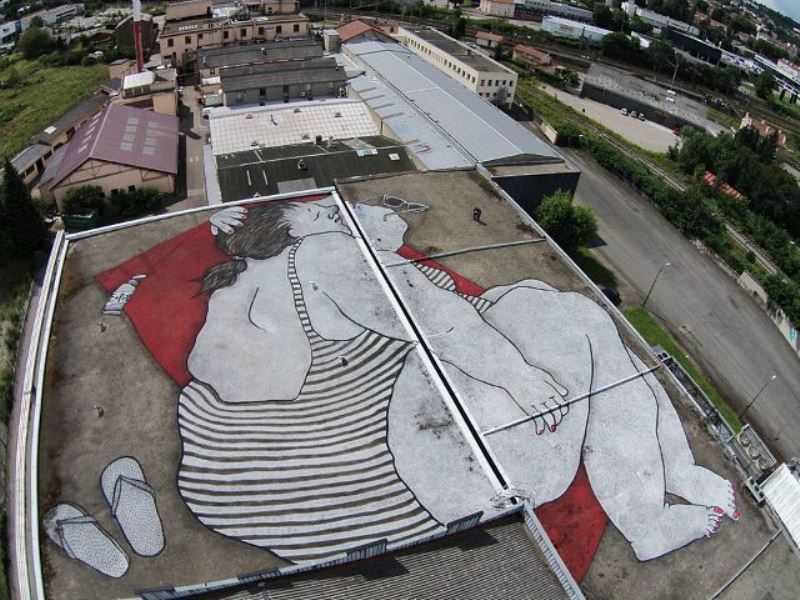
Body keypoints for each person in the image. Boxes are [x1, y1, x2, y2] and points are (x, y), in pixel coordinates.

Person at [180, 198, 737, 566]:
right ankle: (647, 515)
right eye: (329, 210)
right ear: (299, 227)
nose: (344, 214)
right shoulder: (325, 253)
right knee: (579, 319)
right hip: (436, 480)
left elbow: (391, 234)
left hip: (341, 498)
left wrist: (242, 227)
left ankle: (669, 476)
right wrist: (519, 378)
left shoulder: (241, 291)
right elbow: (439, 319)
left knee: (530, 298)